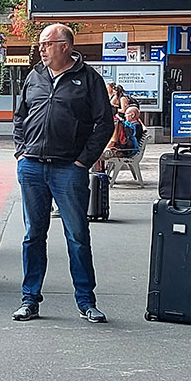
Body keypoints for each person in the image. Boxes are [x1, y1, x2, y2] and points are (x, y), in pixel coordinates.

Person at [12, 23, 115, 323]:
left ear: (65, 46)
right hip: (32, 166)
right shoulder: (35, 76)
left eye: (47, 43)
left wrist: (83, 161)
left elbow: (104, 123)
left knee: (77, 235)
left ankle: (86, 302)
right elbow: (20, 117)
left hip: (68, 169)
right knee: (33, 235)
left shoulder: (88, 79)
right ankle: (29, 300)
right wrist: (21, 151)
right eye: (41, 44)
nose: (41, 49)